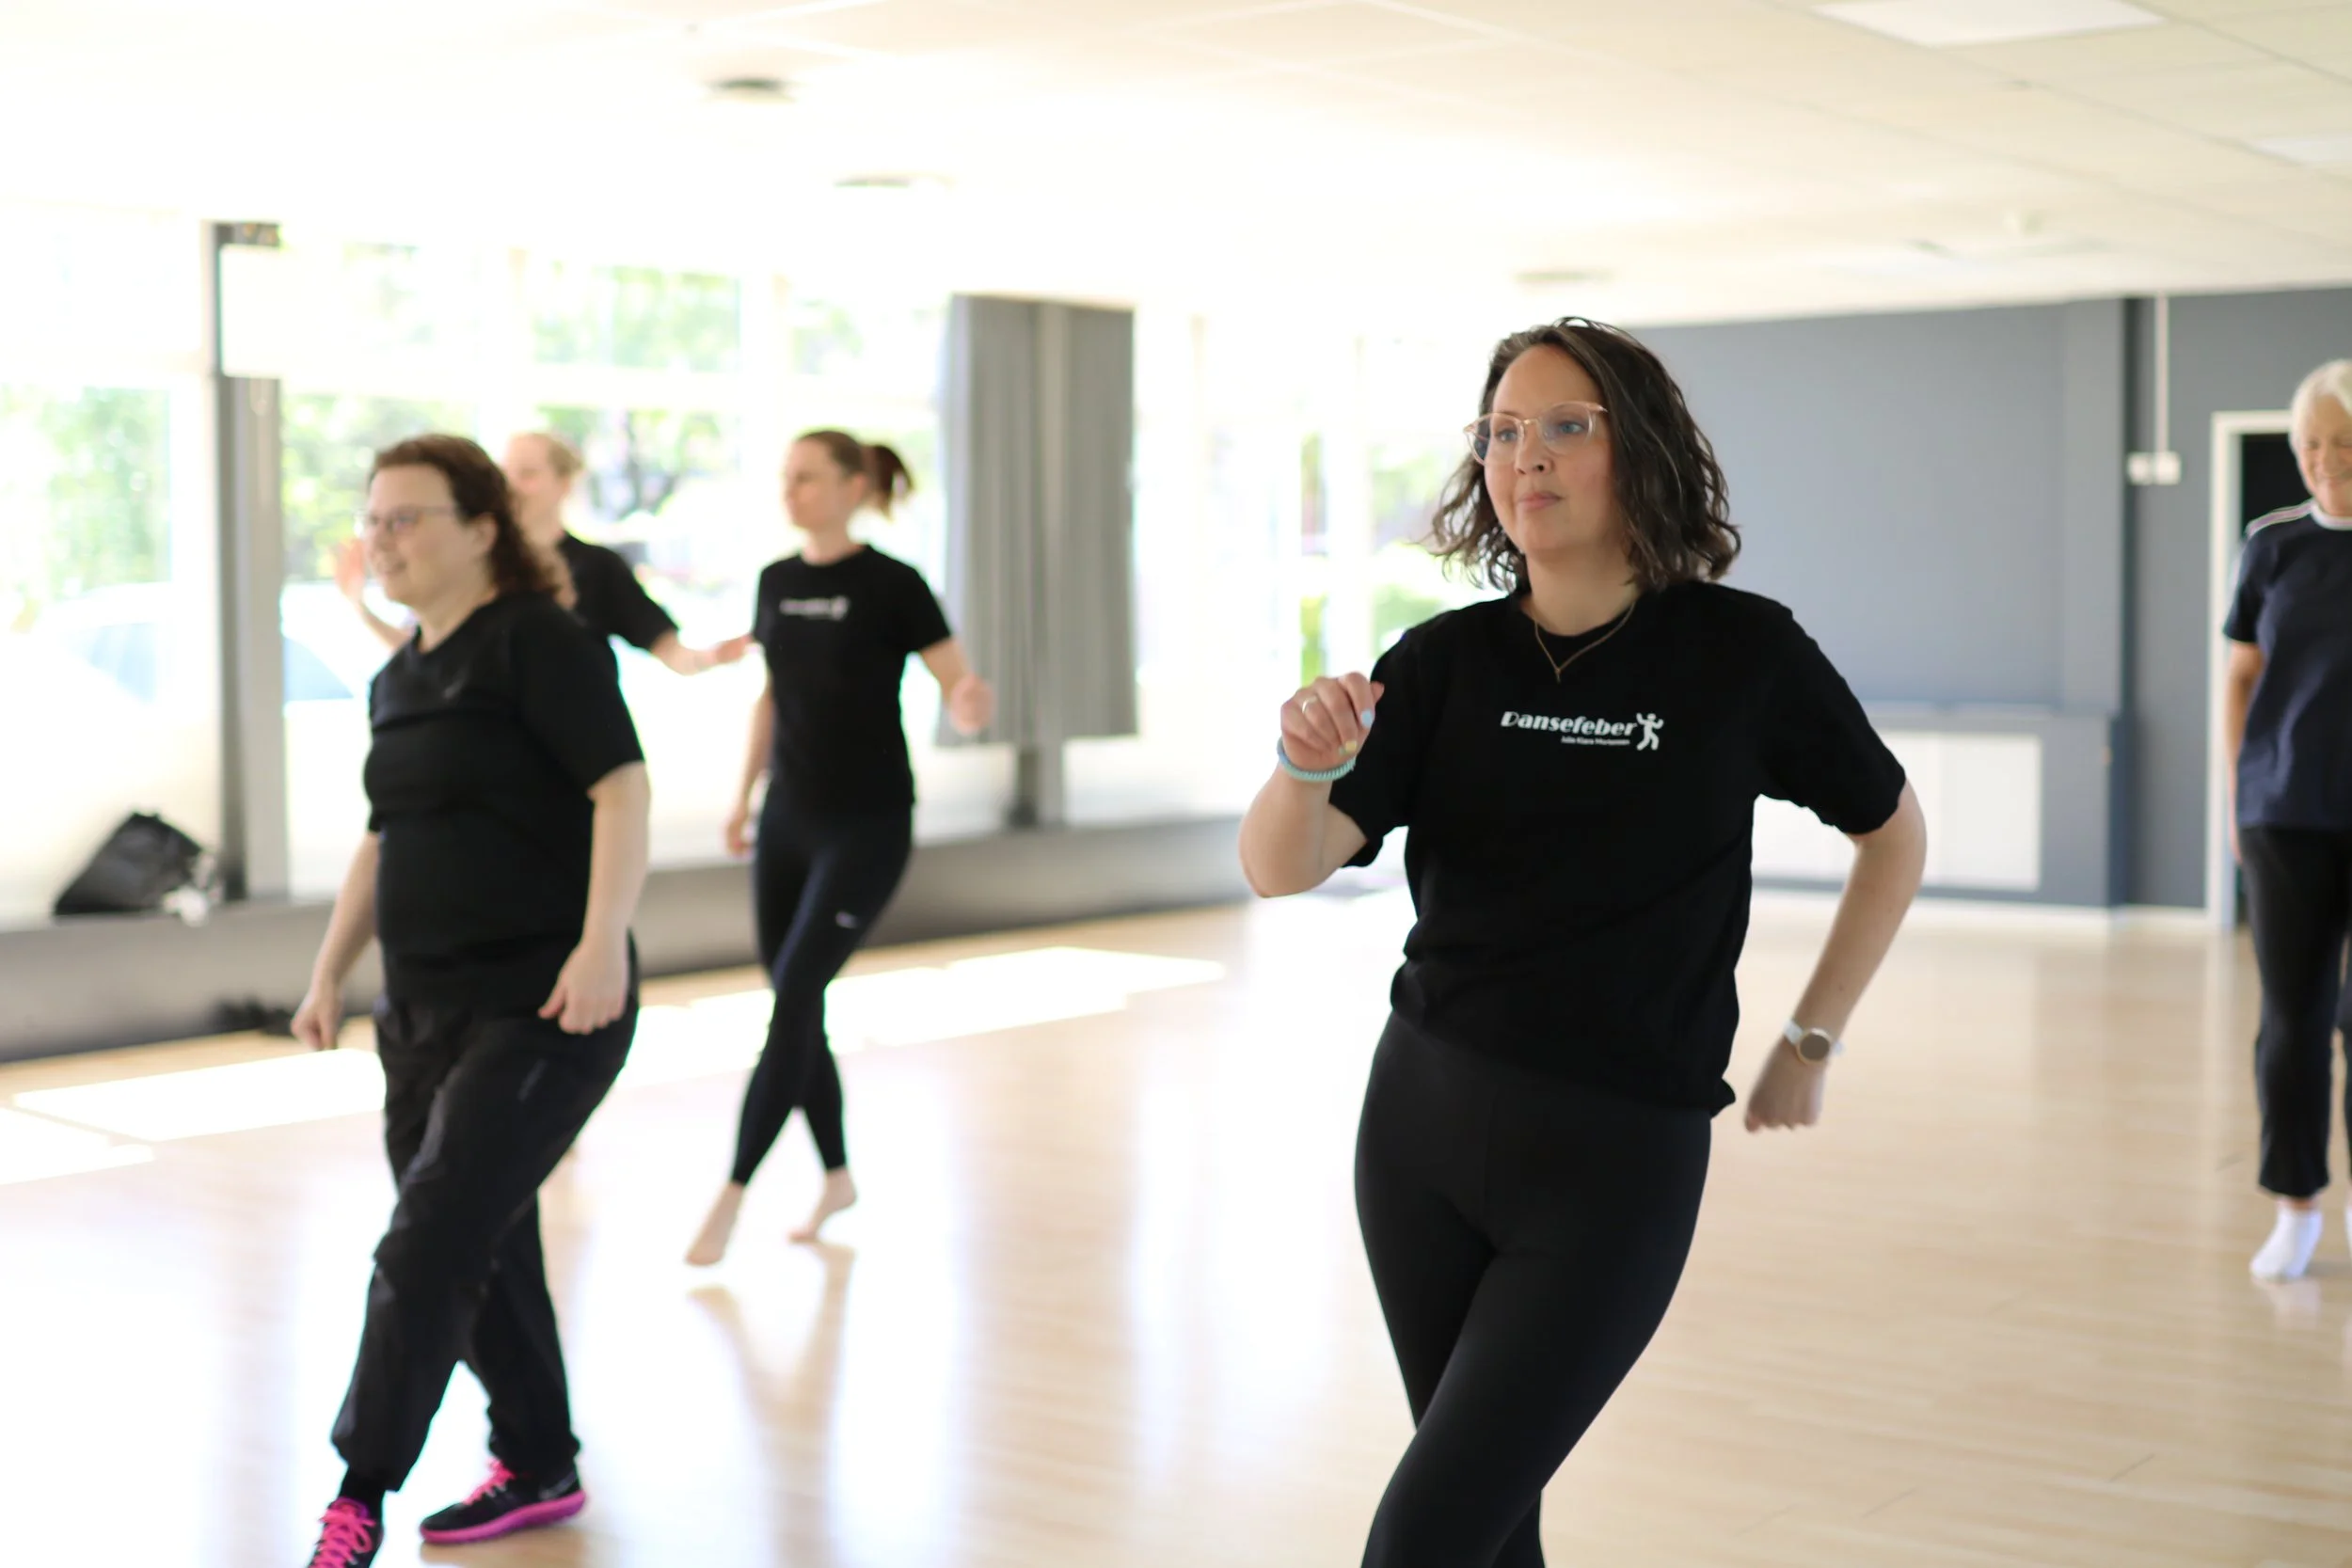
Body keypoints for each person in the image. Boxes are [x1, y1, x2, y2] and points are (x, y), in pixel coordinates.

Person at [1237, 318, 1928, 1568]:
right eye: (1503, 432)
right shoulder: (1442, 662)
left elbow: (1894, 832)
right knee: (1493, 1530)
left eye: (1565, 425)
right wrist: (1302, 764)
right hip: (1420, 1135)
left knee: (1422, 1535)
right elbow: (1278, 866)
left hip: (1614, 1158)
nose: (1527, 457)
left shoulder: (1742, 653)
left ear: (1641, 451)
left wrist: (1810, 1036)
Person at [290, 435, 651, 1567]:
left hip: (548, 1000)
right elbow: (384, 837)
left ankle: (359, 1492)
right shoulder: (400, 673)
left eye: (408, 517)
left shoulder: (538, 642)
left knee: (430, 1236)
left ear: (481, 526)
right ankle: (538, 1456)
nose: (382, 538)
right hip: (423, 1007)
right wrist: (329, 969)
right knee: (479, 1235)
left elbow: (622, 787)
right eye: (374, 517)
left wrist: (602, 946)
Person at [686, 431, 994, 1264]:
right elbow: (772, 699)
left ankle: (732, 1191)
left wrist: (969, 704)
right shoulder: (776, 582)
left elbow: (955, 685)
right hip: (788, 819)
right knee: (797, 999)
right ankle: (836, 1175)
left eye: (809, 478)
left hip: (868, 824)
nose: (792, 491)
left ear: (854, 485)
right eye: (785, 477)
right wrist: (743, 795)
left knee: (791, 992)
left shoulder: (894, 584)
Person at [2221, 358, 2352, 1283]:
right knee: (2290, 1020)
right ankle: (2295, 1208)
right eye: (2309, 444)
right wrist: (2236, 796)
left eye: (2340, 443)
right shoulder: (2270, 546)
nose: (2321, 461)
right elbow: (2237, 679)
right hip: (2284, 816)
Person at [336, 430, 752, 674]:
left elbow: (666, 647)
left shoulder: (595, 567)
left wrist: (710, 658)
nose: (513, 485)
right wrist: (359, 607)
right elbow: (423, 658)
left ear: (565, 484)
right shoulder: (473, 564)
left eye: (529, 474)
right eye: (506, 473)